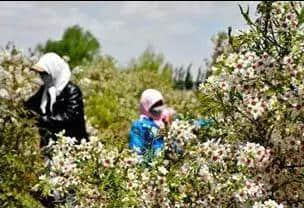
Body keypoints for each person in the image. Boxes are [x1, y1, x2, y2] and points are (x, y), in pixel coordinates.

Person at [24, 52, 88, 148]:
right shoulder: (46, 90)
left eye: (44, 73)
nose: (42, 77)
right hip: (50, 143)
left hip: (72, 145)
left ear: (54, 71)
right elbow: (30, 106)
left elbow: (69, 115)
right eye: (40, 73)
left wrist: (43, 120)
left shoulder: (72, 90)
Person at [129, 89, 175, 159]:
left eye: (160, 105)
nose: (158, 109)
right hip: (148, 166)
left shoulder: (162, 123)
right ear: (146, 106)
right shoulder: (139, 126)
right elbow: (136, 151)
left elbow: (164, 143)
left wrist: (167, 126)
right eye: (155, 106)